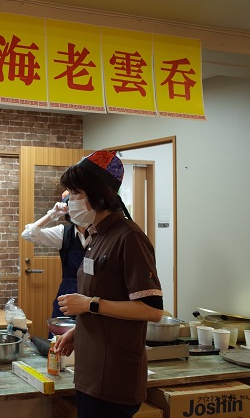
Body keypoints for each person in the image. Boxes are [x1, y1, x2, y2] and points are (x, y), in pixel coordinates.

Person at [53, 150, 163, 418]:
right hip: (90, 373)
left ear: (98, 195)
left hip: (113, 377)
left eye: (75, 193)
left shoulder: (129, 237)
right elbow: (108, 294)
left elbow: (152, 310)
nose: (70, 201)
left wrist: (89, 305)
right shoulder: (98, 236)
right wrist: (79, 331)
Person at [21, 191, 90, 325]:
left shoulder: (100, 233)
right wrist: (52, 215)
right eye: (71, 206)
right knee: (60, 334)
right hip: (68, 293)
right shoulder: (63, 233)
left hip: (92, 293)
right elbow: (28, 234)